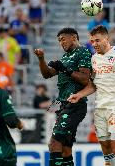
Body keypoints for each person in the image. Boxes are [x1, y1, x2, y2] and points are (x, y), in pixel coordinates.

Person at [67, 25, 115, 166]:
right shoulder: (94, 59)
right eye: (92, 41)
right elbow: (93, 84)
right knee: (106, 150)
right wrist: (79, 95)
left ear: (107, 38)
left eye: (97, 40)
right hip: (100, 108)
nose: (94, 44)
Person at [33, 27, 92, 166]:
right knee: (65, 150)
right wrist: (41, 58)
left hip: (75, 104)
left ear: (74, 37)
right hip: (64, 104)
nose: (61, 43)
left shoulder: (82, 52)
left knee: (54, 143)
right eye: (59, 41)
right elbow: (47, 74)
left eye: (63, 39)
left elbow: (85, 79)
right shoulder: (65, 57)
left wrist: (64, 69)